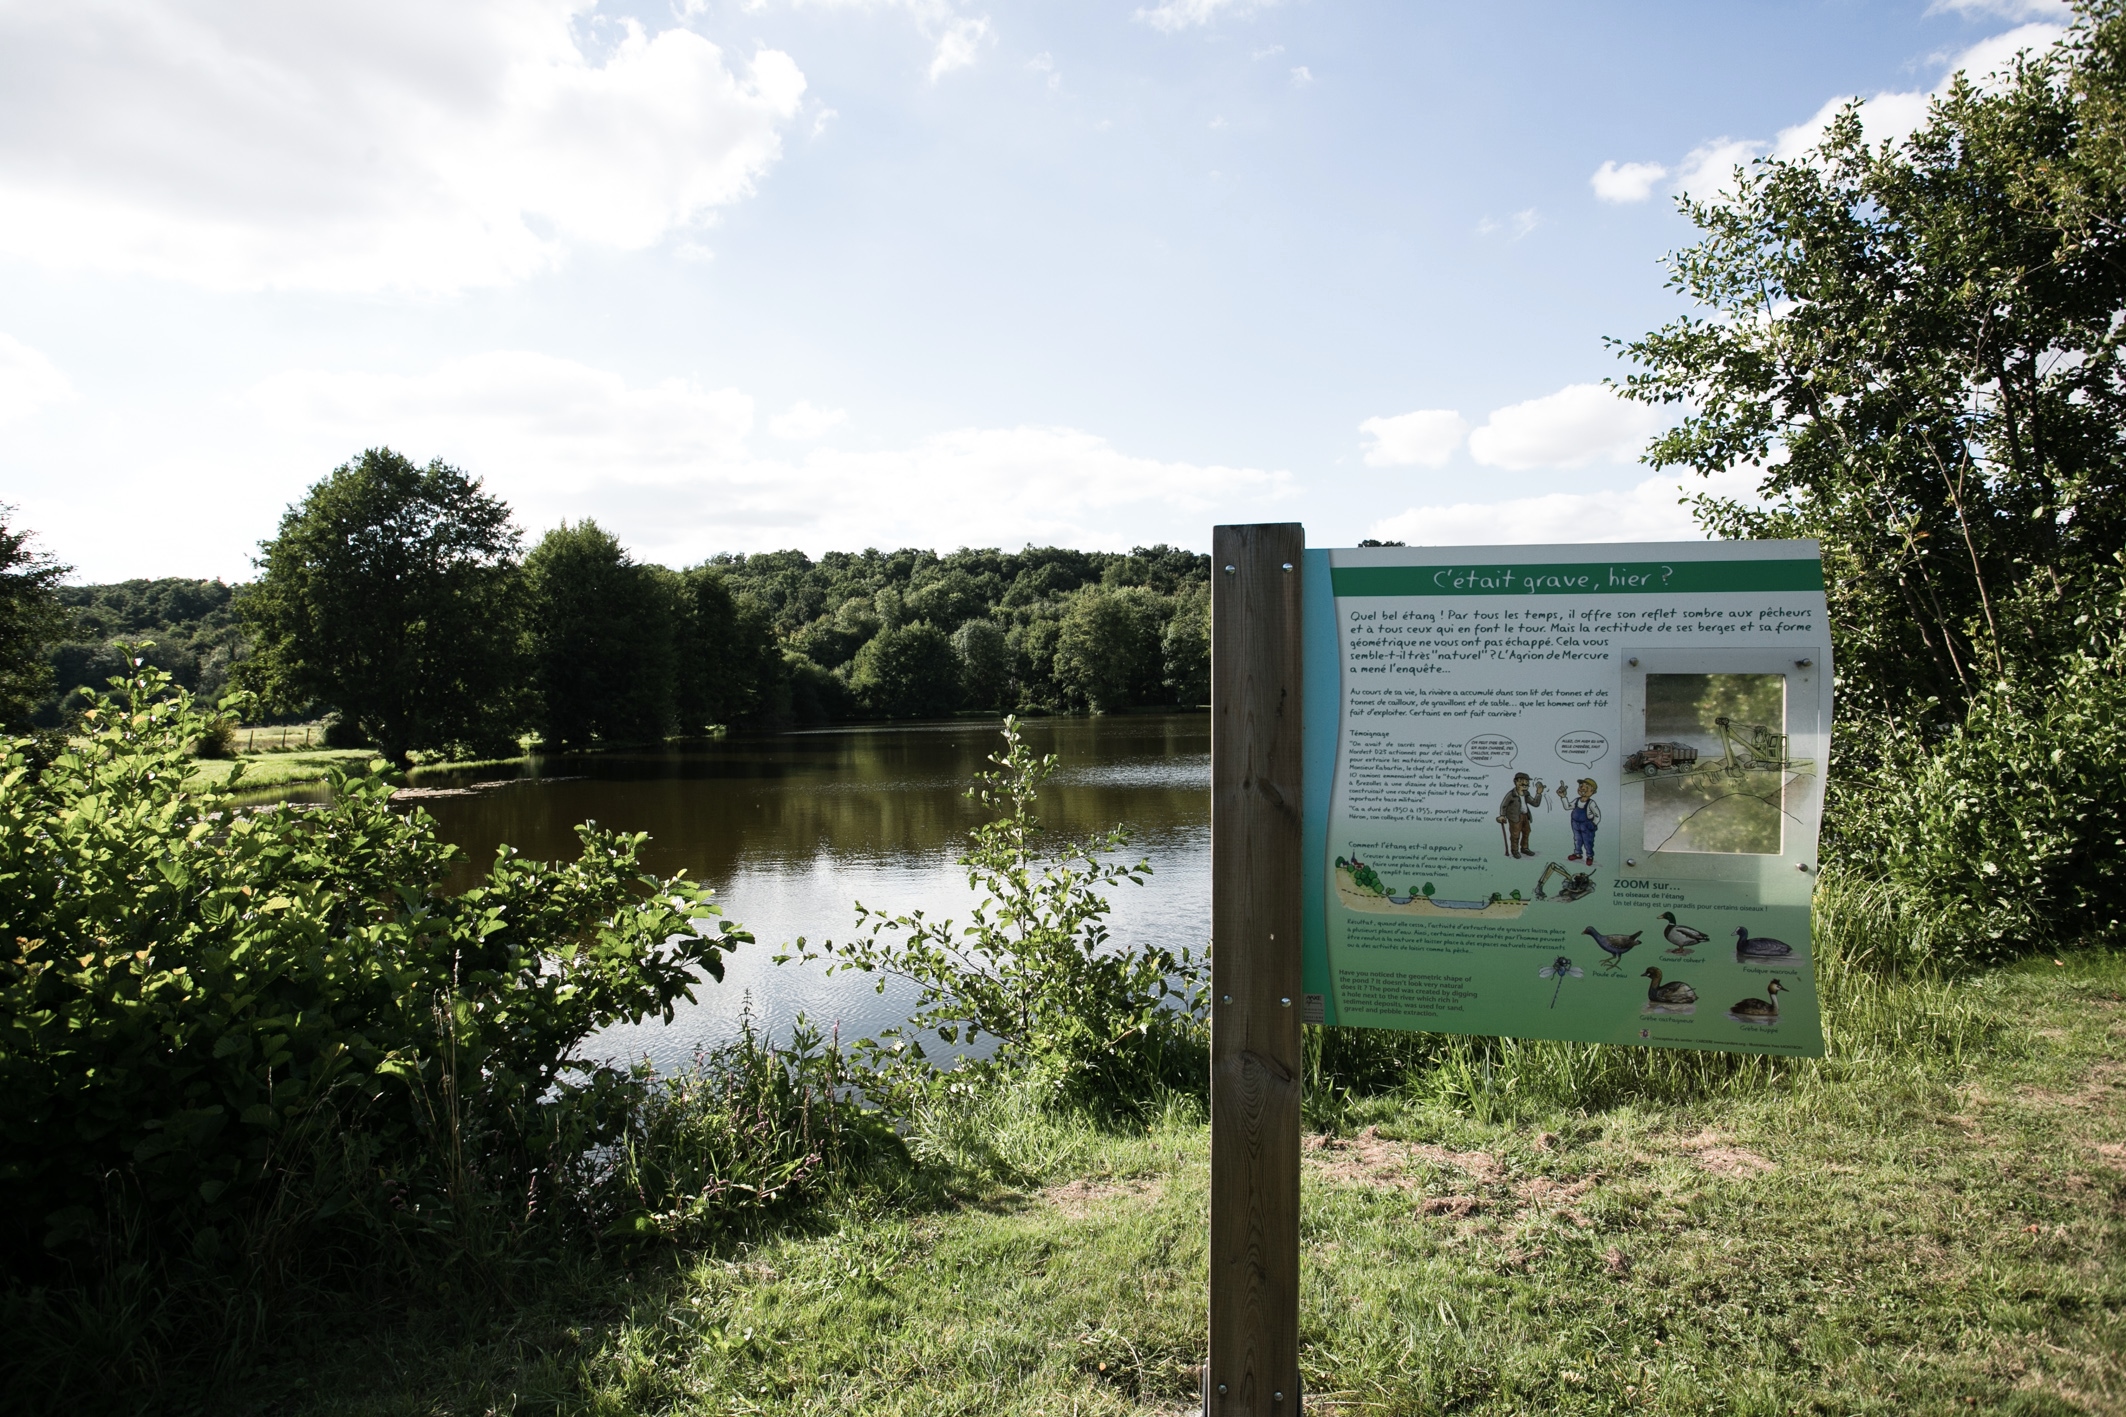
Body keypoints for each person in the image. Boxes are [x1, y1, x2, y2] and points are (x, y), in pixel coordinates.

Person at [1496, 772, 1543, 857]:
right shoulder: (1511, 794)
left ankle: (1524, 848)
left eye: (1526, 783)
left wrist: (1538, 793)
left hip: (1525, 816)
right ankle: (1514, 850)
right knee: (1515, 834)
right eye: (1522, 782)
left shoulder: (1526, 794)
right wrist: (1502, 815)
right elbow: (1504, 805)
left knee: (1526, 832)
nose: (1525, 785)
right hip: (1515, 817)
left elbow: (1535, 803)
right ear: (1516, 782)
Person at [1564, 777, 1601, 868]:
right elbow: (1567, 807)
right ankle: (1578, 854)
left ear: (1592, 791)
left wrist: (1593, 824)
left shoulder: (1591, 803)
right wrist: (1563, 797)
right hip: (1575, 823)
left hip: (1587, 825)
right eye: (1581, 786)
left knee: (1588, 841)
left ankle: (1589, 856)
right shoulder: (1577, 800)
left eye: (1587, 787)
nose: (1583, 789)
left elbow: (1597, 815)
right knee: (1577, 839)